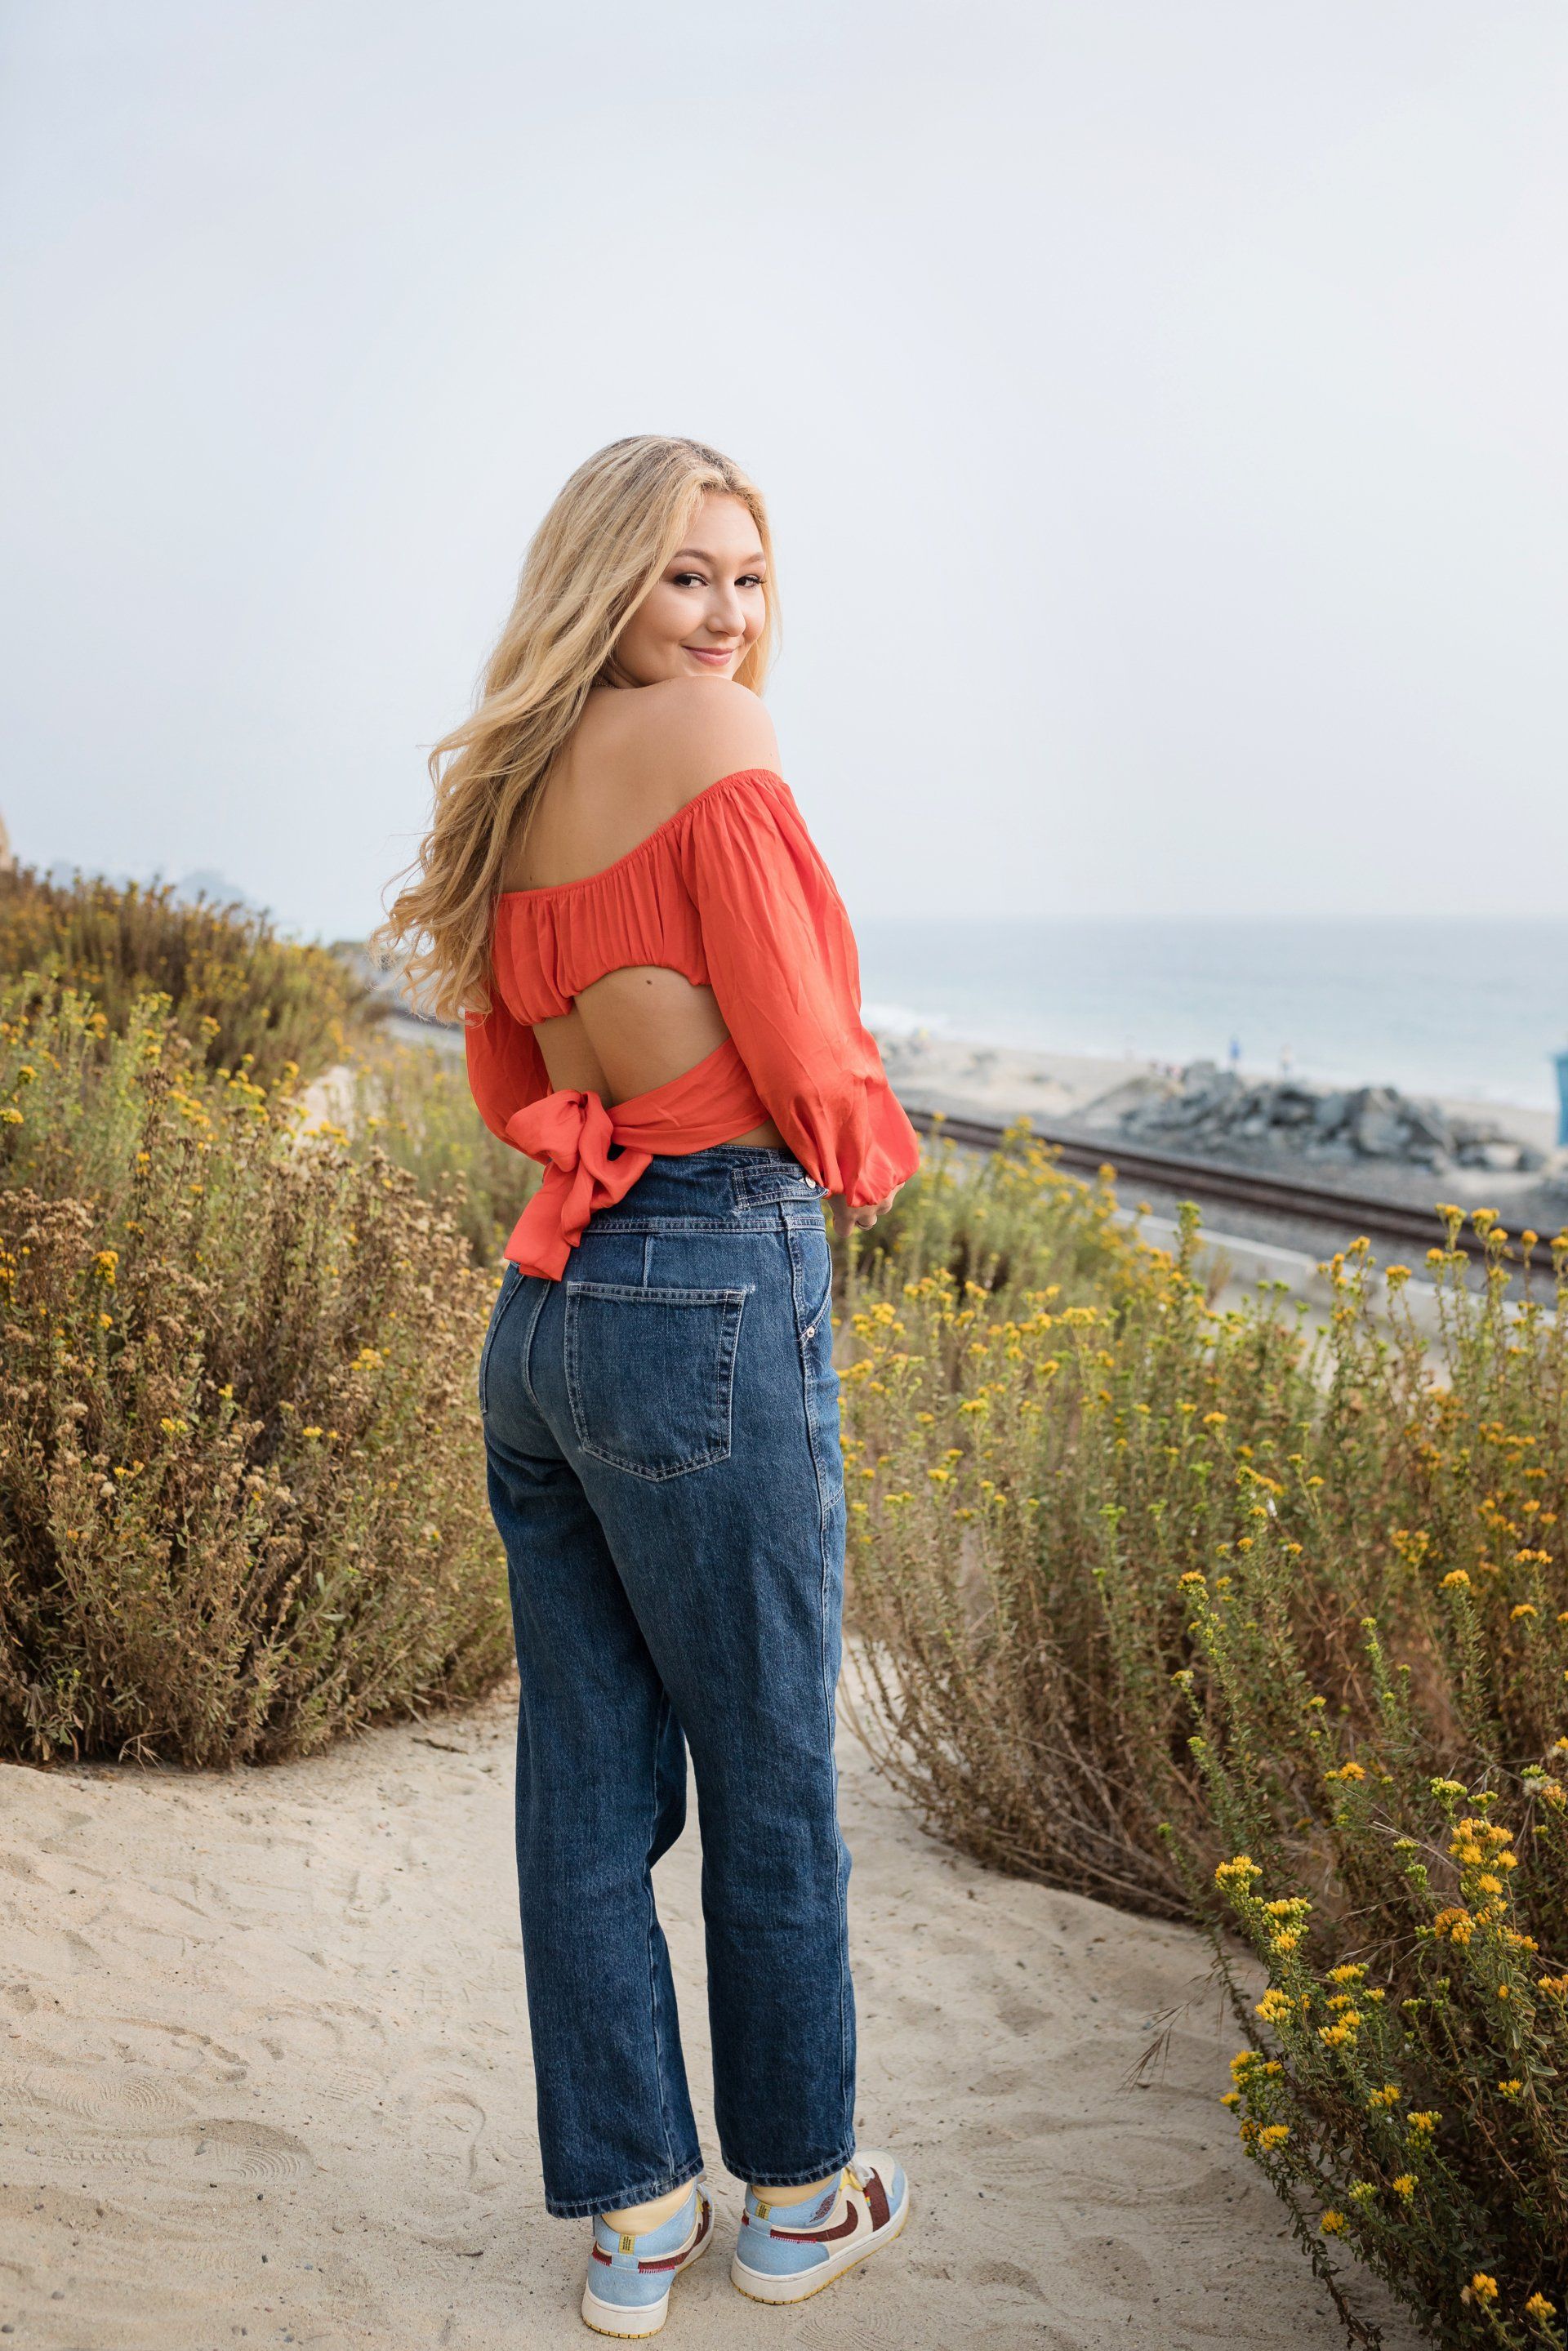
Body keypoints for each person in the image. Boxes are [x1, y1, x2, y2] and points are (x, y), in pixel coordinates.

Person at [379, 435, 919, 2337]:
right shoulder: (722, 746)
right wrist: (859, 1158)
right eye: (688, 575)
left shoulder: (515, 784)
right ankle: (793, 2204)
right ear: (607, 579)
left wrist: (610, 1126)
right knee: (773, 1778)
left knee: (587, 1796)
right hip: (708, 1267)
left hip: (552, 1312)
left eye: (750, 580)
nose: (725, 618)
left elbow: (505, 1077)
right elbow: (798, 1032)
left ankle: (631, 2225)